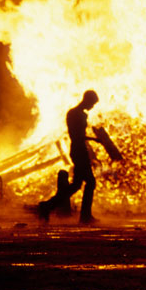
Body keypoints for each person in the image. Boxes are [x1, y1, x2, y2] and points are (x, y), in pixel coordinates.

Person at [39, 89, 101, 225]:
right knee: (90, 182)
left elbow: (80, 136)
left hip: (80, 149)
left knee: (76, 185)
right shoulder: (75, 114)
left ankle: (47, 206)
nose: (92, 107)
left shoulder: (79, 114)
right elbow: (76, 135)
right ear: (87, 100)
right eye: (92, 104)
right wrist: (94, 139)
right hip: (78, 150)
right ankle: (85, 217)